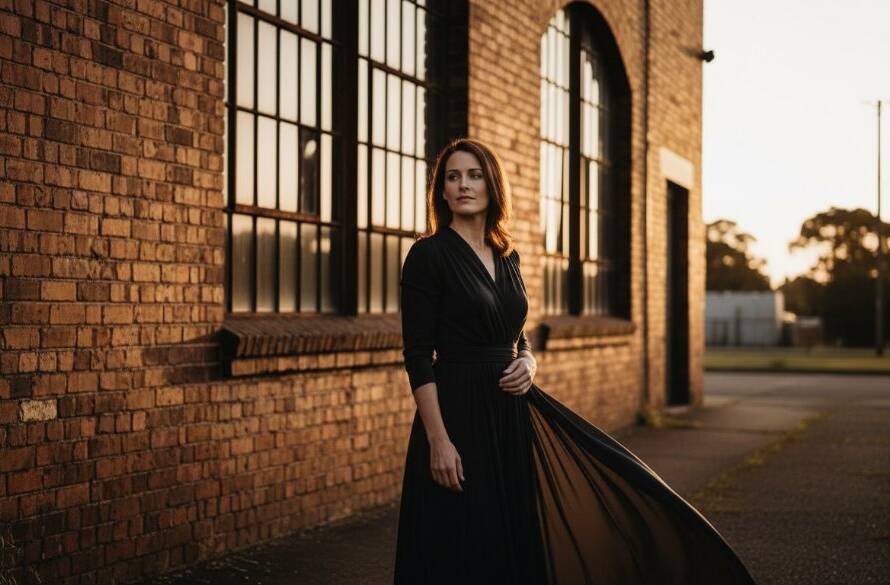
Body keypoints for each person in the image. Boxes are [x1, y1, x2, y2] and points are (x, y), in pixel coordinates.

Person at [393, 137, 756, 585]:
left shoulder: (508, 255)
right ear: (441, 191)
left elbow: (515, 333)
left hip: (510, 417)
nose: (464, 185)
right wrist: (439, 441)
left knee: (513, 536)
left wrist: (529, 362)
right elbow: (417, 355)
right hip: (458, 415)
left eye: (474, 175)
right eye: (453, 177)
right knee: (462, 540)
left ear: (492, 185)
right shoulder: (428, 255)